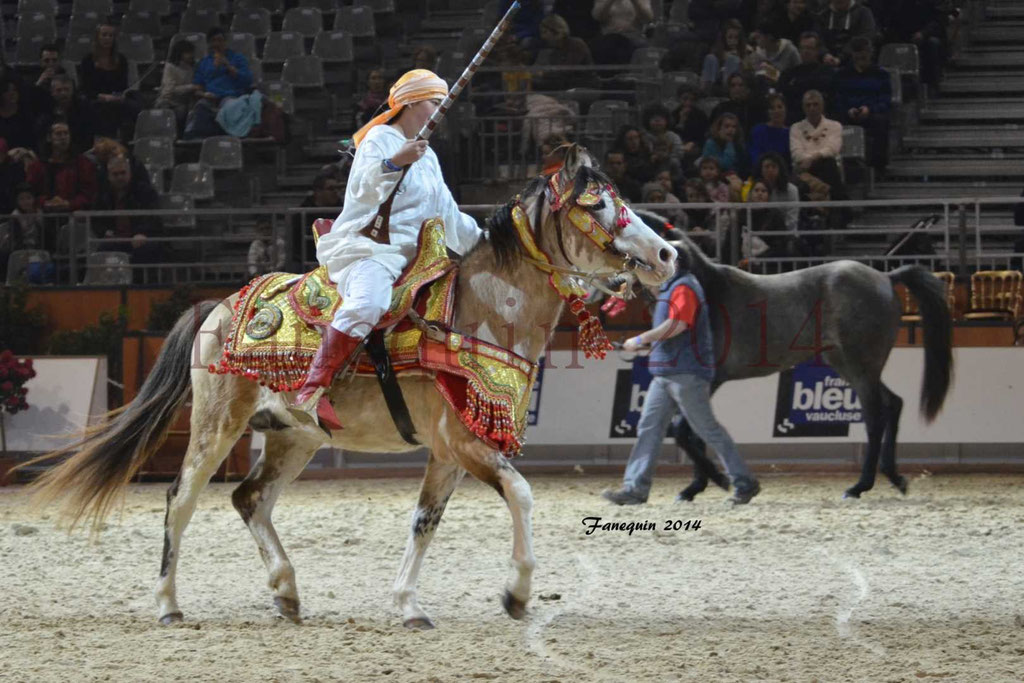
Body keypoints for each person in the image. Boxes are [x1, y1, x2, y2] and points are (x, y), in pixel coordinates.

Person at [295, 70, 484, 427]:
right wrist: (395, 162)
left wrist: (492, 247)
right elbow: (363, 190)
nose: (440, 111)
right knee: (369, 302)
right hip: (369, 249)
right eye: (434, 102)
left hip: (416, 259)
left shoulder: (428, 157)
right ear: (412, 102)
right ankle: (312, 390)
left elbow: (449, 217)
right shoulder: (380, 139)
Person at [600, 262, 760, 505]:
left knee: (707, 430)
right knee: (648, 428)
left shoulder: (684, 287)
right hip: (665, 373)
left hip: (687, 373)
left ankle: (744, 482)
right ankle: (635, 489)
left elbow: (679, 324)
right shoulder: (668, 290)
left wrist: (642, 338)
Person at [832, 36, 891, 172]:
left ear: (871, 53)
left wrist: (869, 109)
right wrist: (848, 110)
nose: (861, 59)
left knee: (881, 121)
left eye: (864, 55)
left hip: (872, 113)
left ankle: (878, 168)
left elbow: (885, 100)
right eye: (858, 55)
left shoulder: (881, 74)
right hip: (848, 113)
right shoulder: (842, 75)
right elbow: (838, 99)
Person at [186, 26, 253, 139]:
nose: (217, 43)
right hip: (210, 98)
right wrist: (204, 94)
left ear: (225, 42)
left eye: (220, 40)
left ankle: (232, 141)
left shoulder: (237, 58)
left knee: (230, 106)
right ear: (209, 44)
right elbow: (197, 88)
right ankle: (199, 144)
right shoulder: (203, 63)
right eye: (213, 41)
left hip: (230, 96)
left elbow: (247, 80)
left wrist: (228, 65)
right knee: (200, 107)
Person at [79, 22, 140, 140]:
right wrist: (102, 96)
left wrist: (118, 96)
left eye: (111, 36)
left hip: (115, 97)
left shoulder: (121, 60)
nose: (108, 38)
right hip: (96, 98)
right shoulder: (88, 60)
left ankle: (129, 139)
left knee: (133, 105)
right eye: (104, 35)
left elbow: (122, 85)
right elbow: (85, 88)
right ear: (97, 38)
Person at [26, 122, 98, 213]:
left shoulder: (82, 163)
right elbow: (30, 192)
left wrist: (70, 204)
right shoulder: (37, 166)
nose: (63, 137)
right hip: (43, 216)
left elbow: (89, 192)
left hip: (75, 216)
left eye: (66, 133)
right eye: (58, 134)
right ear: (49, 138)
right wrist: (44, 202)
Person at [790, 89, 845, 200]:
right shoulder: (796, 127)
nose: (812, 108)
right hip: (805, 169)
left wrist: (813, 158)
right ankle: (839, 202)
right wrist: (813, 158)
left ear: (822, 106)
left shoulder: (835, 125)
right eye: (808, 105)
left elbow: (833, 149)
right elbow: (796, 153)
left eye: (815, 104)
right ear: (803, 108)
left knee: (828, 162)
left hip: (827, 167)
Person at [778, 31, 836, 124]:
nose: (805, 51)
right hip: (795, 122)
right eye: (803, 48)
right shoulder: (789, 74)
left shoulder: (827, 73)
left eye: (809, 48)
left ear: (817, 50)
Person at [38, 74, 98, 151]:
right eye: (59, 90)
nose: (63, 93)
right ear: (52, 92)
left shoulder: (84, 107)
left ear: (72, 90)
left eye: (66, 89)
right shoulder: (45, 108)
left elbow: (89, 133)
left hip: (81, 149)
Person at [155, 39, 202, 131]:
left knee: (182, 112)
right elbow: (170, 90)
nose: (191, 55)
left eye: (191, 52)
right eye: (187, 53)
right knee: (164, 110)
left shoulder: (194, 67)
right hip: (168, 100)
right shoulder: (170, 67)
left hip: (183, 103)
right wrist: (191, 87)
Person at [818, 0, 877, 66]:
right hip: (826, 63)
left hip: (856, 62)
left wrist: (842, 57)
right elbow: (818, 38)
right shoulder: (823, 15)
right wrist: (825, 54)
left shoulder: (863, 13)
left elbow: (866, 36)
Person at [748, 93, 791, 168]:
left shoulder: (791, 133)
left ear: (785, 109)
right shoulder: (758, 130)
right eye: (772, 108)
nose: (776, 111)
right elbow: (755, 157)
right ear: (768, 112)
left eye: (779, 107)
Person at [0, 77, 37, 152]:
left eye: (15, 90)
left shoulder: (25, 114)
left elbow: (31, 141)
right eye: (7, 91)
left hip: (21, 154)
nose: (12, 93)